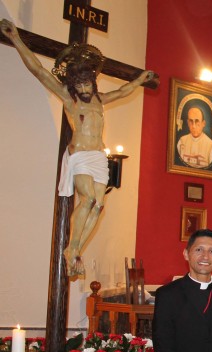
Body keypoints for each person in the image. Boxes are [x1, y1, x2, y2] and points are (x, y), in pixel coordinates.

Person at [0, 19, 155, 276]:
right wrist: (16, 39)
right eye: (79, 85)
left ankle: (76, 250)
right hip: (80, 154)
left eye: (87, 84)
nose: (83, 88)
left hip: (97, 156)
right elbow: (39, 70)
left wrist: (139, 80)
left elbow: (124, 90)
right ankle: (71, 248)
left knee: (99, 206)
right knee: (89, 199)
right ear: (73, 85)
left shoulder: (100, 100)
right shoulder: (69, 99)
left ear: (93, 83)